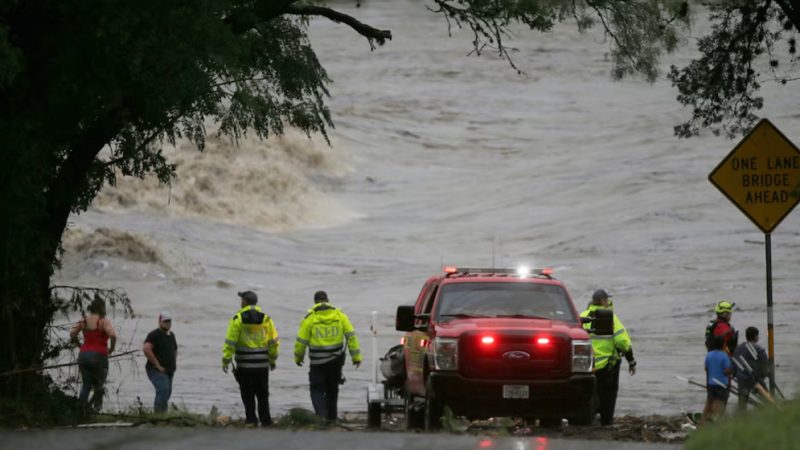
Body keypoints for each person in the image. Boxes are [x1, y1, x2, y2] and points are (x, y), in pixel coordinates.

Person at [294, 290, 362, 423]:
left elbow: (301, 342)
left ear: (315, 302)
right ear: (328, 300)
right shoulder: (340, 316)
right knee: (333, 389)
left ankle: (322, 415)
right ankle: (332, 418)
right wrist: (356, 357)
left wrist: (298, 358)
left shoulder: (309, 319)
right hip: (335, 361)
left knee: (317, 388)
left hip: (317, 362)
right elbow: (351, 337)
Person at [222, 291, 279, 426]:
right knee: (263, 393)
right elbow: (274, 341)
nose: (240, 302)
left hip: (244, 365)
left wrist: (226, 360)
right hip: (262, 364)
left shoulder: (238, 319)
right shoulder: (266, 319)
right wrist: (272, 360)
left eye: (241, 300)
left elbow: (230, 342)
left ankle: (251, 420)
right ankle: (266, 420)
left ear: (245, 302)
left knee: (247, 393)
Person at [580, 289, 636, 426]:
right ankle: (606, 422)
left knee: (588, 397)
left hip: (586, 367)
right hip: (607, 368)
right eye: (607, 300)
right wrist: (631, 361)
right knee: (608, 398)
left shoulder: (582, 316)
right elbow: (623, 342)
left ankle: (586, 421)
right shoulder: (611, 318)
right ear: (603, 301)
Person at [70, 297, 117, 413]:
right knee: (99, 386)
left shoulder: (84, 320)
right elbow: (113, 335)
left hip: (84, 356)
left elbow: (72, 334)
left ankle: (80, 411)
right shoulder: (103, 321)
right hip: (99, 357)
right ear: (102, 308)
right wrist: (111, 349)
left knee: (86, 385)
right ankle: (95, 411)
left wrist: (80, 346)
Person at [143, 311, 178, 413]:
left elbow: (175, 350)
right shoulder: (154, 334)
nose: (167, 323)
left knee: (167, 393)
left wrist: (173, 363)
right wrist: (157, 365)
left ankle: (163, 415)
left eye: (169, 321)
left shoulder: (171, 335)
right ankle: (157, 415)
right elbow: (146, 349)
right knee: (163, 389)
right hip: (155, 369)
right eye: (165, 321)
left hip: (169, 370)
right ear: (160, 321)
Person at [731, 326, 769, 411]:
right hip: (756, 379)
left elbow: (733, 365)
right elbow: (765, 367)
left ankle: (742, 419)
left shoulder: (738, 349)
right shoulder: (759, 349)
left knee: (742, 402)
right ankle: (771, 412)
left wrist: (736, 375)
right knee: (767, 398)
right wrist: (763, 376)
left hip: (742, 379)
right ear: (755, 336)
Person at [702, 335, 732, 424]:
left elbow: (706, 369)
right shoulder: (724, 356)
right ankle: (716, 423)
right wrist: (731, 371)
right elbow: (726, 371)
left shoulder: (709, 354)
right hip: (721, 383)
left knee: (709, 402)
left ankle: (702, 422)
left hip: (711, 383)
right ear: (723, 344)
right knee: (718, 403)